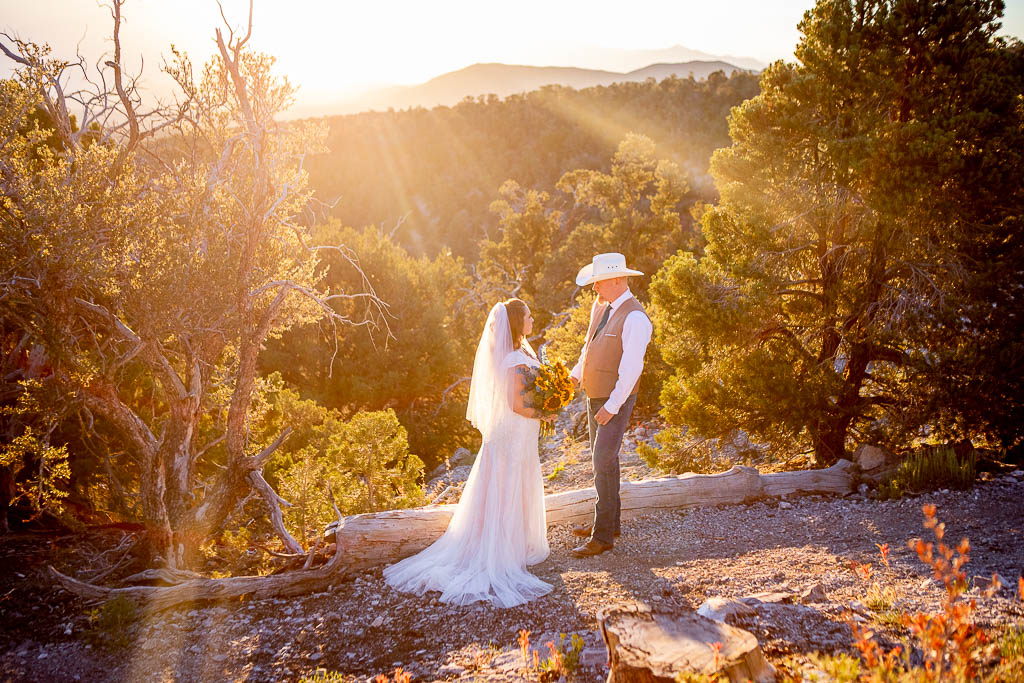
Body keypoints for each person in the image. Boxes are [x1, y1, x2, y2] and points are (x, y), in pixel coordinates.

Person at [383, 299, 553, 607]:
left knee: (511, 485)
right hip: (512, 434)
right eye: (528, 315)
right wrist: (543, 413)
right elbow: (515, 404)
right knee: (507, 487)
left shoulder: (521, 352)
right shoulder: (514, 359)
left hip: (519, 434)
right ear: (517, 323)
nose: (532, 319)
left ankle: (512, 545)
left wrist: (546, 403)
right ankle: (501, 552)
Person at [568, 253, 653, 558]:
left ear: (617, 279)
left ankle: (602, 536)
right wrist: (574, 377)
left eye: (598, 282)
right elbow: (588, 349)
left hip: (614, 398)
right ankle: (611, 523)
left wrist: (613, 406)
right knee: (606, 460)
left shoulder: (635, 318)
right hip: (596, 395)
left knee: (602, 460)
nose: (594, 289)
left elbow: (631, 370)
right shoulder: (602, 309)